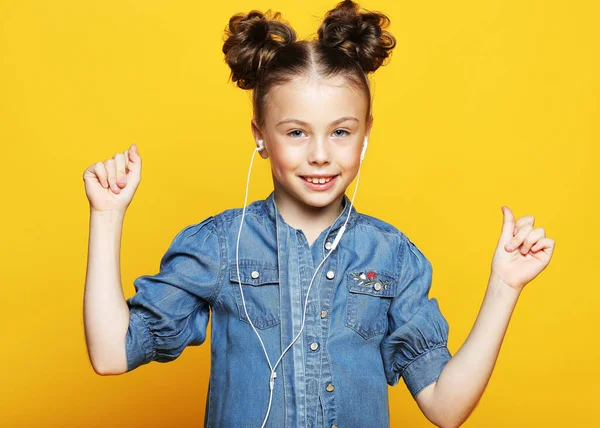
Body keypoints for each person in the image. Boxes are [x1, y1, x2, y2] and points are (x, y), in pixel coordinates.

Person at [82, 1, 555, 427]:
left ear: (365, 133)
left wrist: (504, 287)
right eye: (296, 133)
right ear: (260, 135)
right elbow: (110, 353)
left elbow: (445, 407)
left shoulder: (391, 257)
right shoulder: (222, 245)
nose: (321, 155)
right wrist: (107, 216)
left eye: (341, 132)